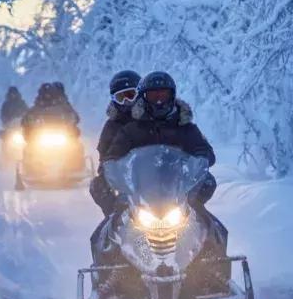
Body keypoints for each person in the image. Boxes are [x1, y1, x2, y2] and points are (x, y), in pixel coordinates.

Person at [102, 71, 216, 204]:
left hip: (179, 186)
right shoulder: (132, 129)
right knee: (117, 212)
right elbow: (113, 154)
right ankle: (113, 219)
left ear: (172, 96)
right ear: (144, 98)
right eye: (153, 96)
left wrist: (200, 157)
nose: (159, 101)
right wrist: (113, 166)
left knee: (207, 184)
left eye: (163, 95)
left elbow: (207, 153)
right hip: (141, 186)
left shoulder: (185, 127)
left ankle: (201, 215)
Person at [89, 70, 141, 216]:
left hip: (157, 177)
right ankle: (113, 218)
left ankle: (206, 227)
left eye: (130, 95)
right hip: (126, 182)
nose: (126, 102)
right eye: (120, 98)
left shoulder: (154, 118)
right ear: (114, 100)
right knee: (98, 185)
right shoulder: (112, 127)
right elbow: (104, 160)